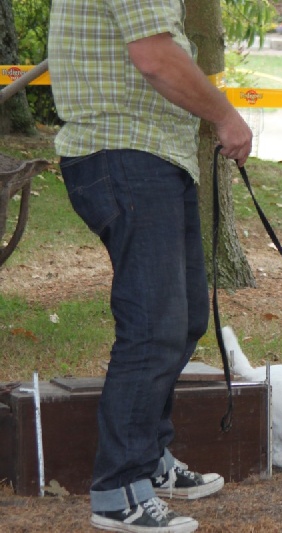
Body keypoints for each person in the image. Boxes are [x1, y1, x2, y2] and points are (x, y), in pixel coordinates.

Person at [48, 2, 253, 532]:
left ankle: (149, 459)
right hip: (125, 154)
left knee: (182, 320)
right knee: (153, 327)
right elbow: (155, 57)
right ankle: (118, 490)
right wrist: (225, 115)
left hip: (151, 155)